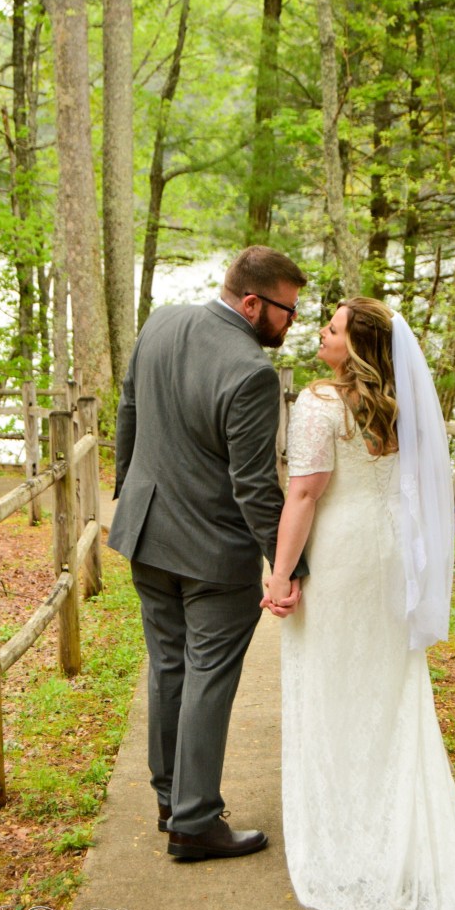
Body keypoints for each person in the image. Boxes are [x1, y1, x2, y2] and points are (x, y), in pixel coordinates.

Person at [262, 297, 455, 910]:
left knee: (333, 682)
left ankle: (348, 831)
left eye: (333, 328)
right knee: (387, 687)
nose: (321, 332)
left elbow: (303, 496)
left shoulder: (320, 403)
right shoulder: (398, 404)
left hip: (342, 555)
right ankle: (397, 818)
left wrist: (280, 575)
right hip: (390, 555)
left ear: (356, 348)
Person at [108, 245, 308, 860]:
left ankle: (172, 801)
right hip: (214, 554)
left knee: (169, 667)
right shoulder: (251, 372)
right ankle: (194, 823)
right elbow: (254, 486)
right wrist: (287, 565)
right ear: (251, 303)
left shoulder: (161, 321)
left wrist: (127, 495)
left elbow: (127, 413)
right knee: (207, 678)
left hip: (147, 534)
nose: (291, 323)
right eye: (286, 311)